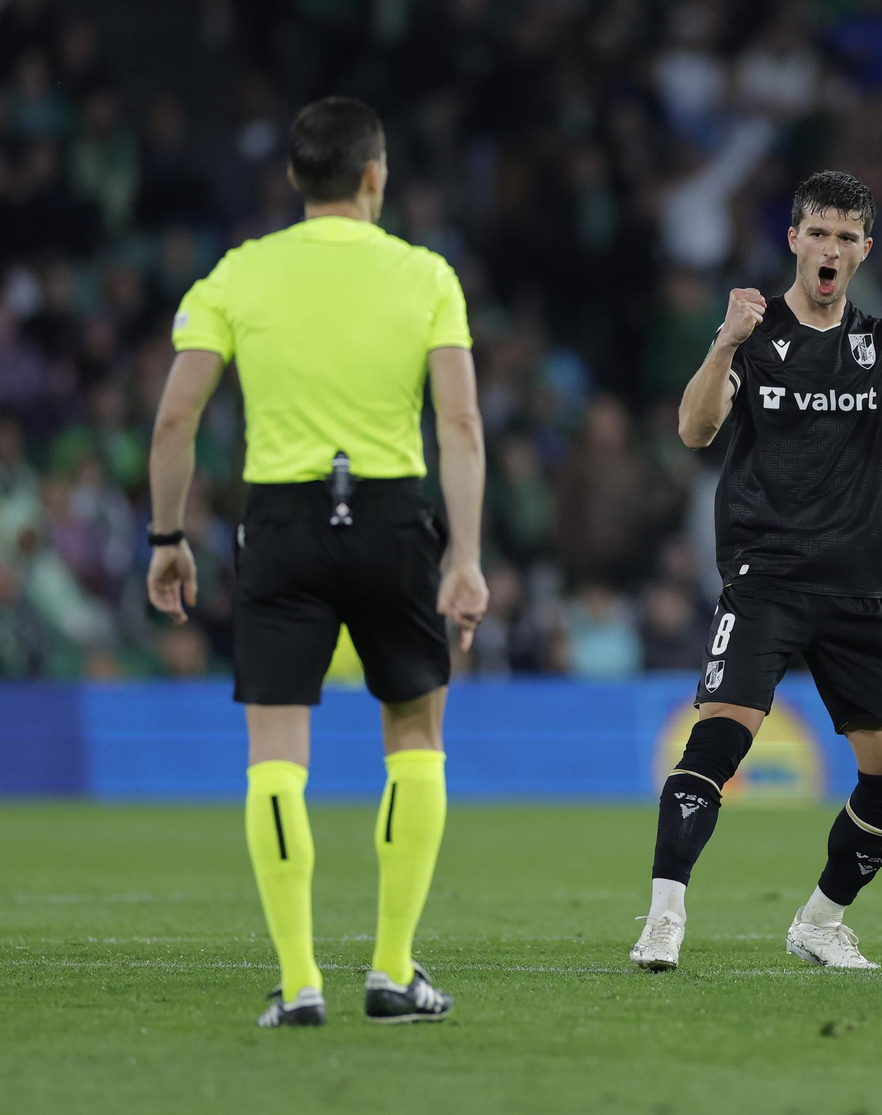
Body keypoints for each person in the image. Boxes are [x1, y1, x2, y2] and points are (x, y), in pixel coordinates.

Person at [146, 97, 488, 1023]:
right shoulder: (426, 275)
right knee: (416, 737)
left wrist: (168, 538)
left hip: (283, 522)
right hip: (390, 514)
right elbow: (458, 422)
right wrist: (465, 553)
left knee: (275, 756)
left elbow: (176, 416)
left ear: (296, 180)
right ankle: (390, 969)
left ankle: (300, 982)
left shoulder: (238, 275)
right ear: (376, 175)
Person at [630, 170, 882, 971]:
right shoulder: (755, 335)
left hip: (859, 588)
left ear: (864, 250)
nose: (830, 248)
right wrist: (724, 341)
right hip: (768, 577)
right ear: (794, 239)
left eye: (846, 237)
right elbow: (693, 428)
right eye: (817, 232)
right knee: (719, 736)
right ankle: (664, 914)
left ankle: (819, 919)